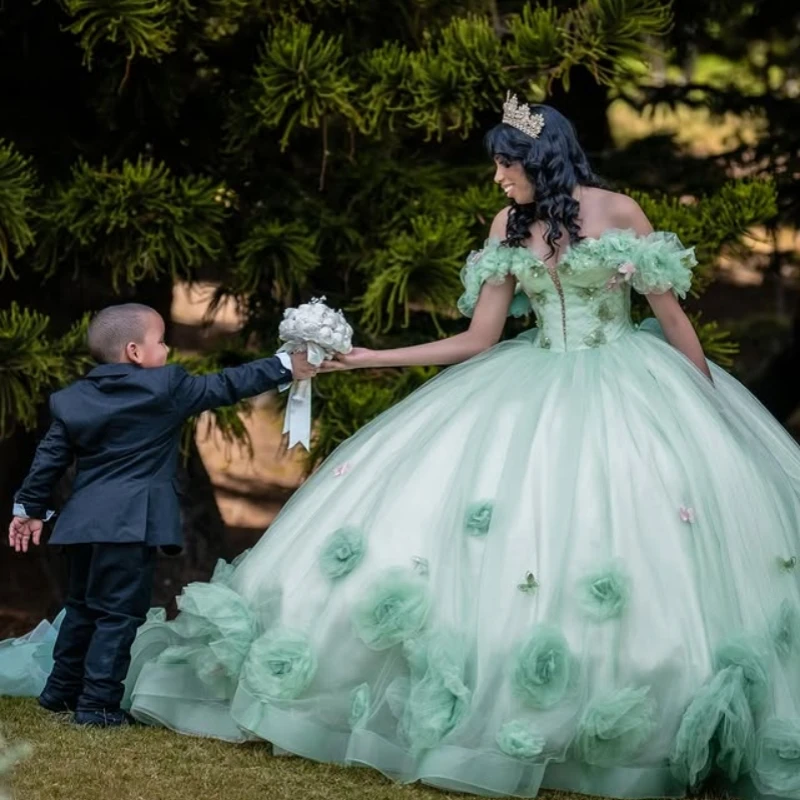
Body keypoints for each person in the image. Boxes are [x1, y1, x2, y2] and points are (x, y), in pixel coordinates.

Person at [4, 97, 800, 800]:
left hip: (633, 389)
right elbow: (480, 339)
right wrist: (370, 358)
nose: (496, 179)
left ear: (538, 160)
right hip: (527, 383)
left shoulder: (621, 214)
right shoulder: (508, 229)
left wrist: (707, 405)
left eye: (503, 165)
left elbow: (671, 318)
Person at [5, 303, 316, 726]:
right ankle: (97, 704)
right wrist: (285, 366)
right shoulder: (165, 388)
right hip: (130, 526)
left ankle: (59, 690)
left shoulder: (73, 399)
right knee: (118, 614)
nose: (168, 349)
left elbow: (49, 459)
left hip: (80, 527)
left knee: (81, 608)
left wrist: (30, 509)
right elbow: (227, 384)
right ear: (135, 351)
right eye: (162, 340)